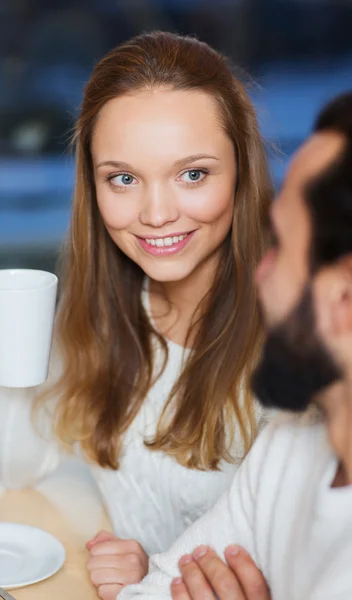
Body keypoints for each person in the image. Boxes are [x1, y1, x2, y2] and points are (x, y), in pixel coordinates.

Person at [0, 31, 273, 600]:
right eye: (123, 178)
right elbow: (19, 470)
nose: (155, 213)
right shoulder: (107, 314)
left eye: (192, 174)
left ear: (242, 172)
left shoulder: (298, 347)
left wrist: (154, 573)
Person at [119, 90, 352, 600]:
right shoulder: (289, 448)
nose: (259, 273)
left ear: (343, 299)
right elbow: (153, 590)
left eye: (281, 248)